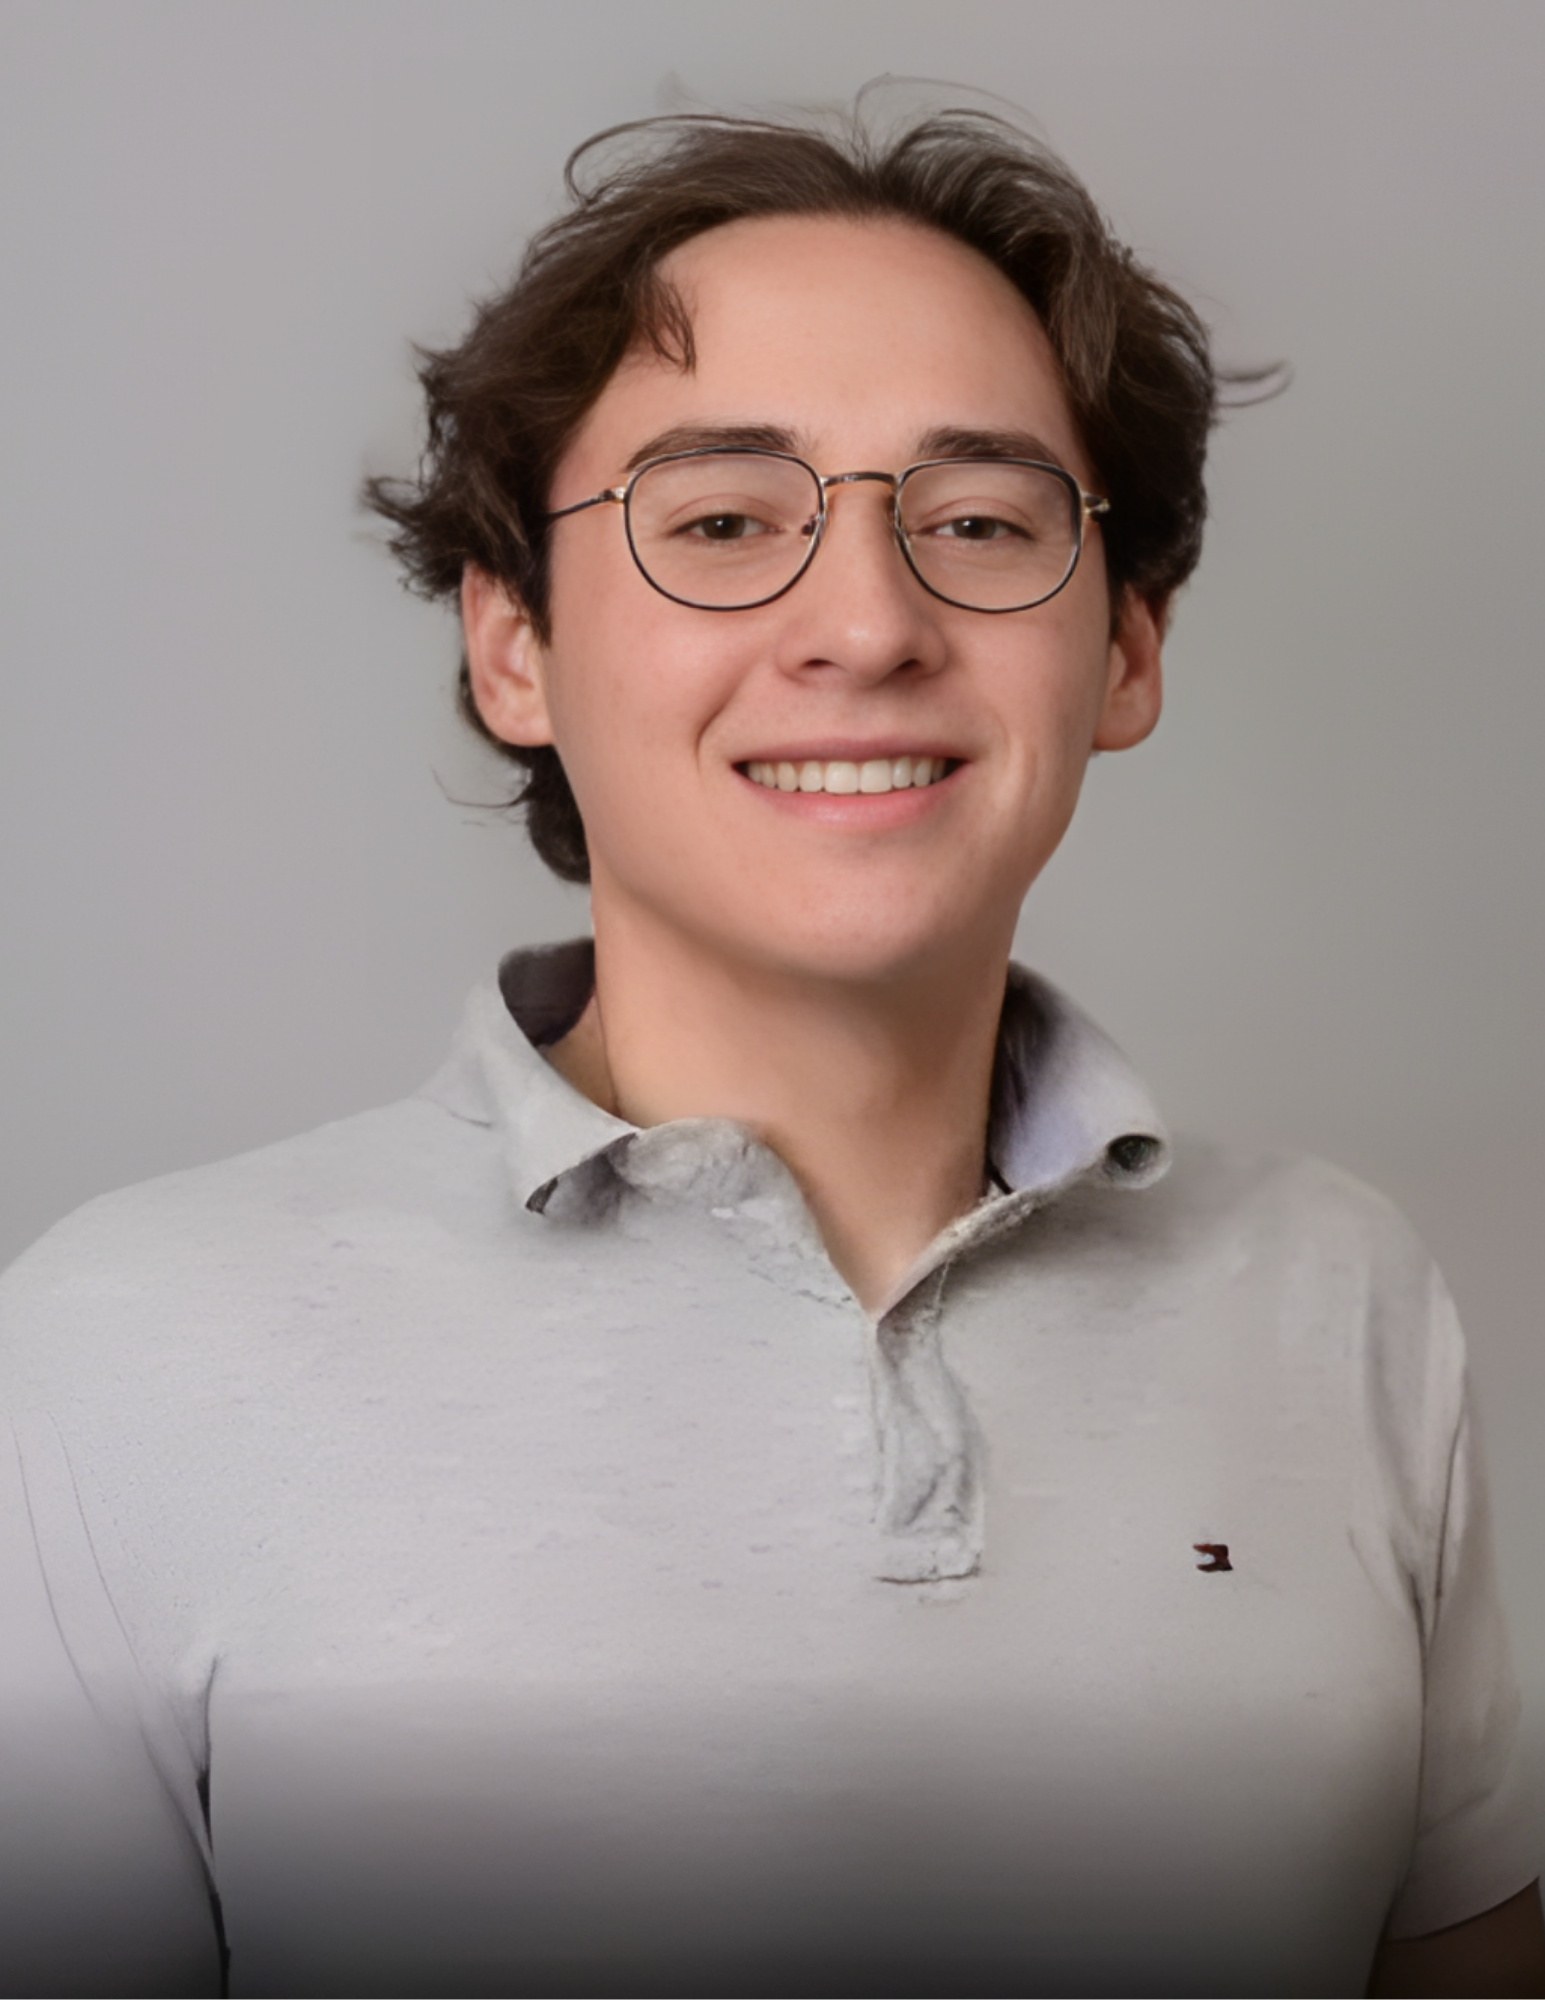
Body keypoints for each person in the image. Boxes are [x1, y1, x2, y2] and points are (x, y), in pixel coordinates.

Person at [0, 99, 1540, 1999]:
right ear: (516, 651)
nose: (868, 623)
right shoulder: (121, 1355)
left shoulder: (1347, 1300)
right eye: (723, 520)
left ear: (1126, 649)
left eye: (977, 522)